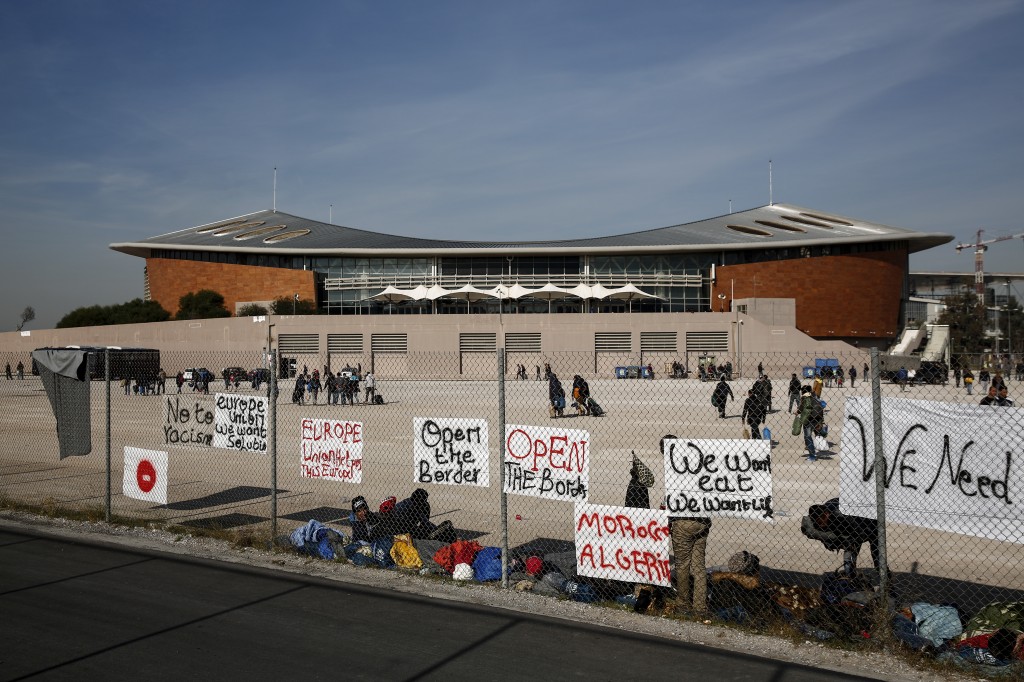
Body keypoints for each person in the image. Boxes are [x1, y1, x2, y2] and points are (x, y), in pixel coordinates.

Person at [663, 434, 711, 617]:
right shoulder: (699, 461)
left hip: (683, 521)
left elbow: (672, 500)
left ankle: (683, 603)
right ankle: (700, 606)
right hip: (703, 520)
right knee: (699, 566)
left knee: (682, 564)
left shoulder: (675, 469)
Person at [801, 498, 881, 578]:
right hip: (853, 522)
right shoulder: (820, 512)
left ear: (826, 514)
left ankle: (884, 577)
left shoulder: (841, 516)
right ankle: (851, 576)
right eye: (818, 523)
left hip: (869, 524)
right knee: (850, 551)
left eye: (821, 522)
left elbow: (858, 533)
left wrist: (847, 542)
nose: (821, 525)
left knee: (876, 553)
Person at [794, 386, 823, 461]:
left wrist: (797, 412)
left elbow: (802, 407)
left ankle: (812, 455)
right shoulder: (814, 395)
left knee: (808, 437)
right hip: (817, 418)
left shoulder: (805, 397)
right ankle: (815, 449)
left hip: (809, 419)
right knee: (817, 434)